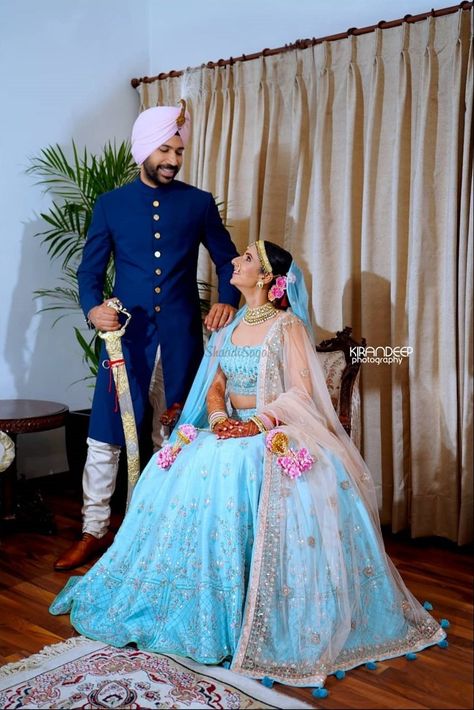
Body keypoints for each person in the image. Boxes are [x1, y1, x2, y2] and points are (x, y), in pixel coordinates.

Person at [51, 240, 445, 689]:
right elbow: (215, 381)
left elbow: (300, 394)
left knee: (233, 466)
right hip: (228, 427)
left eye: (245, 260)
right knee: (175, 462)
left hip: (272, 428)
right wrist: (217, 416)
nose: (234, 263)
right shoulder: (231, 324)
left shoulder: (288, 326)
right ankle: (187, 602)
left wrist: (255, 424)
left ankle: (249, 607)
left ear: (265, 278)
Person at [54, 102, 240, 571]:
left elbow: (228, 260)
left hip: (180, 337)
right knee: (105, 436)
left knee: (173, 433)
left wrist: (228, 301)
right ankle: (93, 531)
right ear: (144, 149)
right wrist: (93, 309)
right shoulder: (111, 204)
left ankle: (161, 530)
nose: (174, 159)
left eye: (179, 150)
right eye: (165, 148)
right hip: (126, 338)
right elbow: (89, 273)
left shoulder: (198, 203)